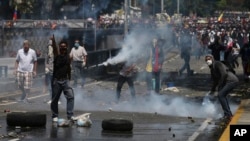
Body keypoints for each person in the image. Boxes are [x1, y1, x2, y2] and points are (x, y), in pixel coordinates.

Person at [205, 54, 239, 124]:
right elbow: (215, 81)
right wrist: (212, 90)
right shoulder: (212, 69)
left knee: (221, 95)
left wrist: (220, 85)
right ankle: (228, 114)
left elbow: (224, 74)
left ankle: (228, 115)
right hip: (227, 82)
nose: (208, 61)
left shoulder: (217, 64)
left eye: (209, 59)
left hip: (231, 81)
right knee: (222, 95)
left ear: (212, 59)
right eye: (206, 60)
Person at [51, 36, 74, 122]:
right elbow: (54, 49)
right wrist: (53, 42)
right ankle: (55, 115)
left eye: (64, 47)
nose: (63, 49)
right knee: (54, 99)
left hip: (65, 80)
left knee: (71, 96)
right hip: (57, 80)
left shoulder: (68, 57)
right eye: (61, 47)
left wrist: (69, 78)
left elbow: (68, 68)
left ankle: (70, 115)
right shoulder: (57, 55)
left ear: (67, 47)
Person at [44, 38, 60, 104]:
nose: (50, 47)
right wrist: (46, 68)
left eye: (51, 46)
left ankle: (57, 99)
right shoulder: (47, 53)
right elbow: (46, 62)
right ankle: (52, 98)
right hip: (50, 71)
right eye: (49, 46)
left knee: (56, 86)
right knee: (50, 86)